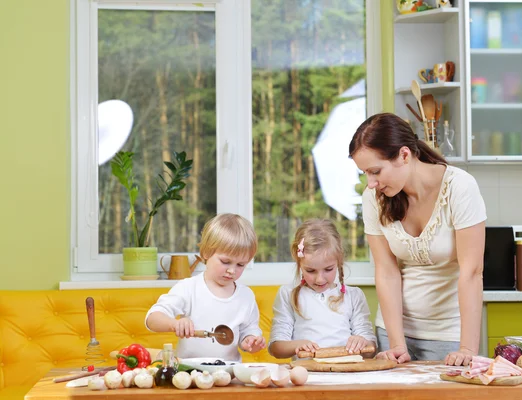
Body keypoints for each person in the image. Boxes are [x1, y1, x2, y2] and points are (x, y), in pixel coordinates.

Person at [349, 113, 486, 367]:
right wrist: (397, 343)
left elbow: (472, 272)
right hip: (393, 333)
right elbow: (387, 271)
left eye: (375, 171)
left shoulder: (460, 187)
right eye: (365, 174)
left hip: (452, 336)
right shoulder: (374, 198)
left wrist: (467, 348)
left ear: (404, 155)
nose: (370, 183)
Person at [145, 213, 266, 361]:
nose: (232, 270)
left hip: (229, 374)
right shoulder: (188, 288)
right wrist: (174, 324)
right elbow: (152, 318)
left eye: (240, 265)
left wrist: (250, 340)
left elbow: (248, 329)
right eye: (225, 262)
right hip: (189, 374)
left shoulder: (246, 296)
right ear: (207, 253)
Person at [268, 219, 377, 359]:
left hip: (346, 375)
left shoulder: (354, 295)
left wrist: (362, 342)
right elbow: (276, 348)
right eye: (310, 270)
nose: (319, 279)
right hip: (307, 376)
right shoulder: (287, 294)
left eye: (328, 269)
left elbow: (371, 350)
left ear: (339, 260)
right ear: (298, 260)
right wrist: (297, 345)